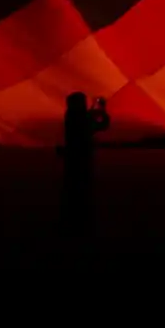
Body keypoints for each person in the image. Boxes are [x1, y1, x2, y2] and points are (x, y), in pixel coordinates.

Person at [57, 91, 110, 236]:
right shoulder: (82, 118)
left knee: (72, 187)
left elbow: (93, 121)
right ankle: (79, 221)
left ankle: (70, 219)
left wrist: (95, 110)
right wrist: (102, 110)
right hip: (82, 157)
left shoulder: (71, 115)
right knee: (82, 187)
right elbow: (103, 125)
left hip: (73, 157)